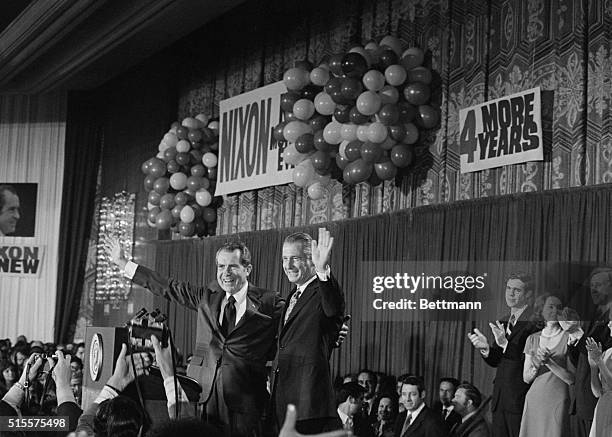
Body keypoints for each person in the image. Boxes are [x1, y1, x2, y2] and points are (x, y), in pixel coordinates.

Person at [110, 239, 284, 437]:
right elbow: (168, 287)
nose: (225, 273)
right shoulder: (208, 296)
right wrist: (123, 263)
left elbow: (285, 341)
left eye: (233, 266)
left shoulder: (270, 302)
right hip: (204, 395)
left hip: (245, 400)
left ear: (248, 269)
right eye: (221, 266)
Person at [271, 228, 345, 434]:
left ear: (312, 259)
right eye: (285, 258)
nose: (288, 265)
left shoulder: (323, 290)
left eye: (295, 258)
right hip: (284, 402)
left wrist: (323, 272)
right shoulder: (293, 295)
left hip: (309, 403)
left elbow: (333, 308)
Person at [467, 272, 538, 437]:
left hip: (519, 397)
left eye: (517, 290)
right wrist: (486, 349)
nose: (511, 293)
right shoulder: (505, 320)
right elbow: (497, 360)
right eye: (508, 288)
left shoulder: (534, 322)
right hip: (500, 398)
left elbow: (526, 359)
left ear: (528, 294)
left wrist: (505, 344)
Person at [518, 294, 574, 437]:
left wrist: (549, 362)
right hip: (535, 399)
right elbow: (526, 378)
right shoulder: (532, 339)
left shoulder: (569, 337)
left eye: (559, 307)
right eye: (551, 306)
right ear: (541, 311)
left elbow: (571, 379)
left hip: (558, 399)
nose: (555, 310)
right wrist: (537, 363)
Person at [568, 267, 612, 437]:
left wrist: (579, 335)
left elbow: (599, 354)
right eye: (592, 285)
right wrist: (573, 336)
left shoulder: (609, 322)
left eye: (599, 285)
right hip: (583, 398)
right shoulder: (592, 316)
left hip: (600, 401)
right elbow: (580, 358)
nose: (593, 289)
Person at [584, 312, 612, 437]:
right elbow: (597, 392)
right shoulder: (607, 352)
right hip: (603, 407)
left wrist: (599, 361)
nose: (609, 324)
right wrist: (593, 366)